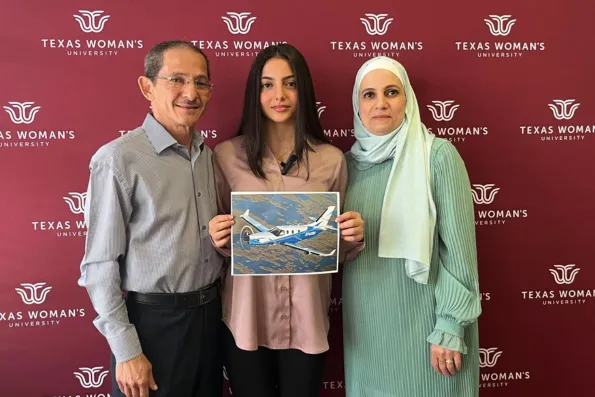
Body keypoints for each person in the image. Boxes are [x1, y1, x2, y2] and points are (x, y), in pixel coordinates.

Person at [208, 43, 365, 397]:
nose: (279, 95)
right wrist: (217, 239)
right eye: (267, 85)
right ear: (255, 93)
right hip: (246, 320)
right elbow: (223, 245)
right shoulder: (226, 156)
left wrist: (349, 236)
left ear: (303, 90)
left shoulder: (331, 160)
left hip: (307, 320)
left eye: (290, 84)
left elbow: (332, 249)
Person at [78, 40, 224, 397]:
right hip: (153, 325)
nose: (191, 93)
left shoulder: (208, 156)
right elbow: (99, 265)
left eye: (201, 82)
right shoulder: (119, 159)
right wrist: (127, 350)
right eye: (177, 79)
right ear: (147, 87)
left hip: (211, 318)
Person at [341, 56, 482, 397]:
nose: (381, 103)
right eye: (369, 95)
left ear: (408, 99)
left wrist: (450, 325)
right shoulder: (345, 166)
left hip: (428, 326)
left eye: (392, 92)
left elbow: (460, 253)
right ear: (357, 105)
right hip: (368, 329)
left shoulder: (438, 157)